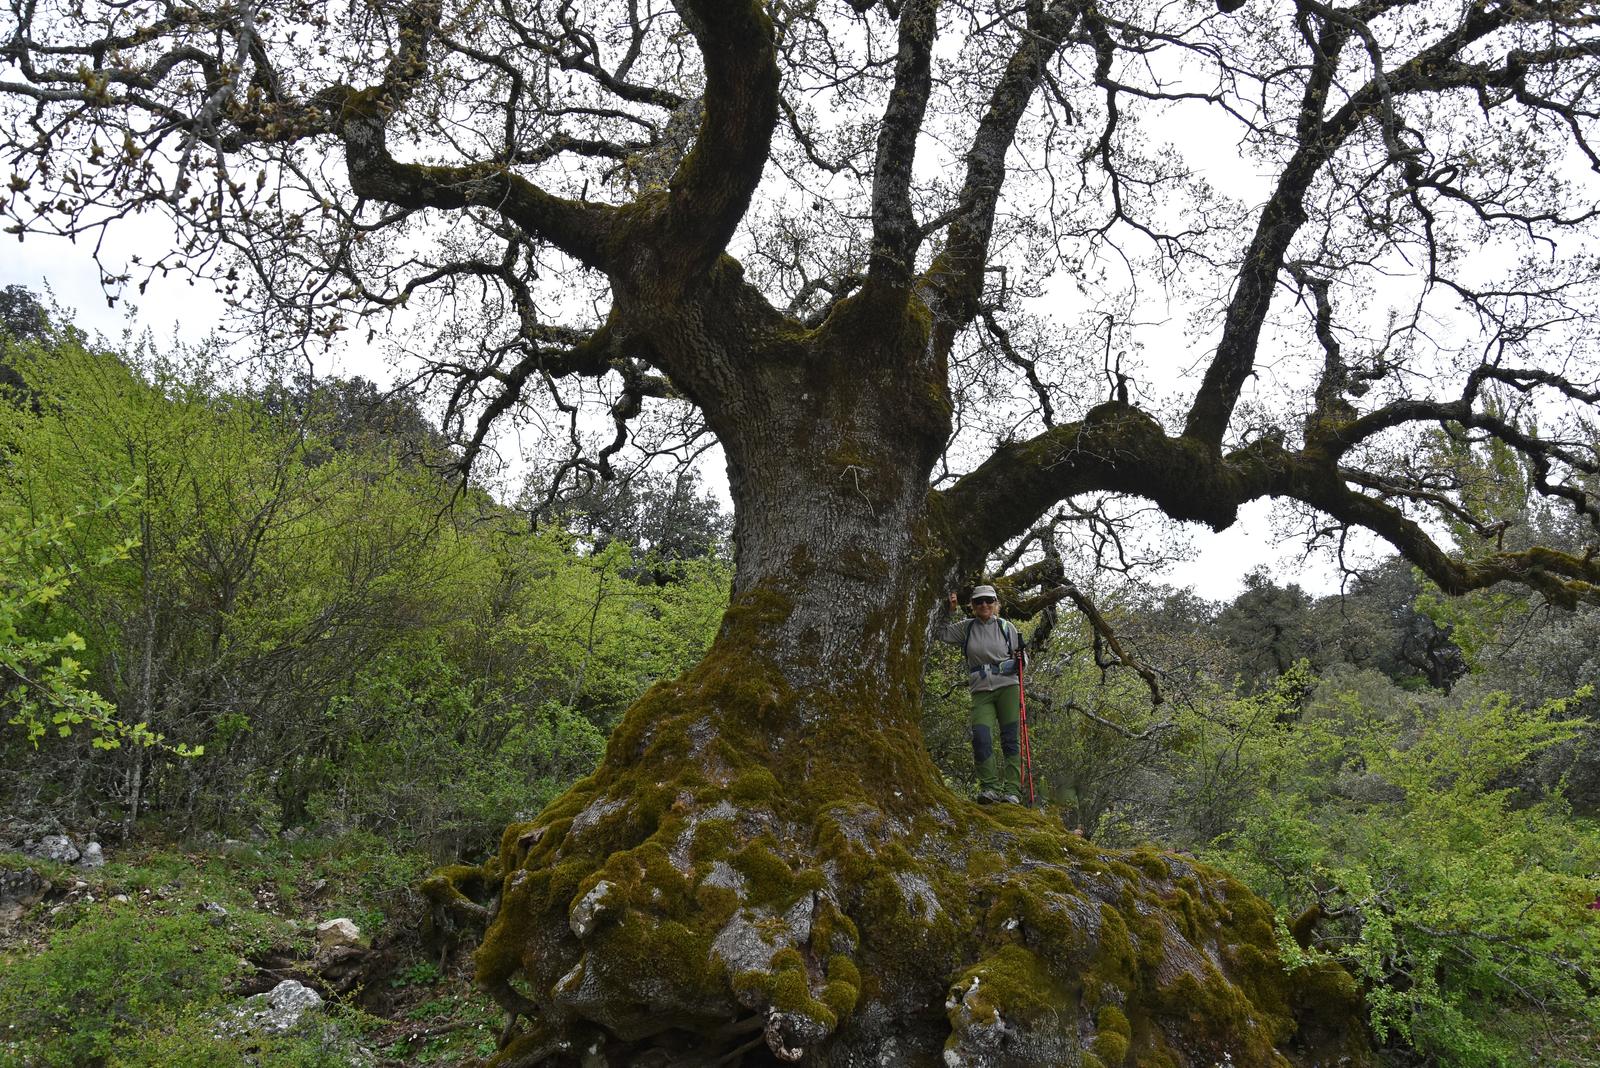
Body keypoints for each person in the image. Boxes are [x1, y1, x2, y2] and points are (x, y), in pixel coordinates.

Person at [938, 585, 1025, 804]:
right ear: (973, 606)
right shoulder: (966, 628)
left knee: (1010, 739)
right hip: (981, 690)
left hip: (1008, 687)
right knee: (981, 737)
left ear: (996, 603)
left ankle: (1012, 790)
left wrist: (1013, 664)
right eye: (979, 602)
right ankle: (990, 788)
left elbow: (1024, 659)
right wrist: (950, 610)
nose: (984, 605)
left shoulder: (1007, 628)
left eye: (988, 600)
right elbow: (941, 633)